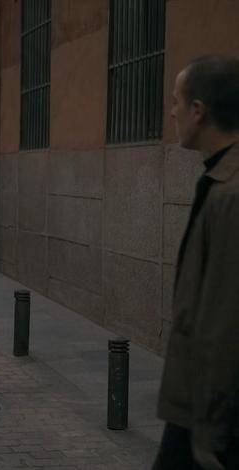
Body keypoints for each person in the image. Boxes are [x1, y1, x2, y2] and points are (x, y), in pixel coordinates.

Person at [156, 55, 239, 470]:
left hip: (212, 419)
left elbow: (226, 319)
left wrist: (210, 436)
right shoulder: (218, 178)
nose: (171, 111)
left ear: (198, 110)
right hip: (197, 404)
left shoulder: (231, 193)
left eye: (176, 101)